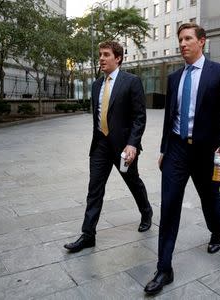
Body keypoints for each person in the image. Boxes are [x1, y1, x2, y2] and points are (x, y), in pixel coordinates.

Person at [144, 23, 220, 295]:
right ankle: (164, 268)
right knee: (170, 205)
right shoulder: (174, 78)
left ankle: (216, 231)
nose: (183, 44)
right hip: (177, 149)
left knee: (210, 200)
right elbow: (170, 118)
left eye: (188, 39)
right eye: (180, 39)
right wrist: (164, 149)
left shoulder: (219, 73)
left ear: (202, 42)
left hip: (207, 152)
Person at [64, 41, 153, 253]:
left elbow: (139, 117)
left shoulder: (131, 82)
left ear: (118, 58)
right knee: (94, 189)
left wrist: (133, 144)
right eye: (100, 55)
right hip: (100, 146)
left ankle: (146, 211)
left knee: (133, 182)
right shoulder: (96, 85)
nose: (101, 59)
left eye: (106, 55)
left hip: (124, 148)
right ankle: (88, 235)